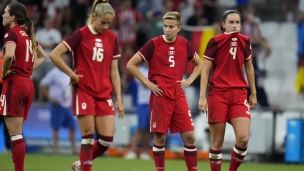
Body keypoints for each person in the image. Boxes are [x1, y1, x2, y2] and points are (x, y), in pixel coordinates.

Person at [49, 0, 124, 171]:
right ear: (93, 17)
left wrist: (119, 98)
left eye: (109, 23)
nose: (106, 26)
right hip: (85, 91)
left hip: (105, 94)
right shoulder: (81, 34)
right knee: (88, 137)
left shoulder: (112, 38)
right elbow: (55, 55)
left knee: (106, 140)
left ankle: (80, 165)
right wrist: (71, 74)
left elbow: (114, 71)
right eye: (102, 22)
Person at [127, 11, 203, 171]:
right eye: (165, 26)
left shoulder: (184, 44)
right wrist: (148, 84)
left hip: (178, 94)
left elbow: (200, 63)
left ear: (179, 28)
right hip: (160, 95)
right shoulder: (153, 43)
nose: (167, 30)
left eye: (171, 27)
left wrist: (189, 80)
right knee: (160, 138)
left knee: (189, 137)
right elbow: (131, 64)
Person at [198, 10, 257, 171]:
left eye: (237, 22)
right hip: (218, 94)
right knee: (217, 142)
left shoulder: (245, 41)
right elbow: (205, 70)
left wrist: (253, 93)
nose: (234, 25)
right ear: (223, 24)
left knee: (243, 139)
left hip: (239, 95)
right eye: (231, 22)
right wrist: (202, 97)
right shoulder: (215, 41)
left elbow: (249, 67)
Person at [0, 2, 47, 171]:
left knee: (15, 135)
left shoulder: (11, 35)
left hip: (15, 83)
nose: (2, 15)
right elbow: (43, 56)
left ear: (13, 17)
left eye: (5, 12)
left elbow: (9, 56)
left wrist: (4, 72)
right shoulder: (27, 36)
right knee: (17, 133)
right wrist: (27, 68)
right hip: (27, 83)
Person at [39, 54, 77, 155]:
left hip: (68, 104)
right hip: (57, 104)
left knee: (72, 127)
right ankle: (56, 149)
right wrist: (50, 97)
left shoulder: (70, 72)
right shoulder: (54, 73)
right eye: (64, 59)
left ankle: (73, 149)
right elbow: (42, 84)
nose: (66, 61)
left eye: (67, 59)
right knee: (56, 127)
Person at [124, 62, 153, 160]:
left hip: (153, 102)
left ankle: (145, 151)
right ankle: (133, 150)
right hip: (143, 102)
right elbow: (143, 84)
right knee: (140, 128)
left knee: (150, 129)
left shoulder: (155, 69)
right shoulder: (140, 69)